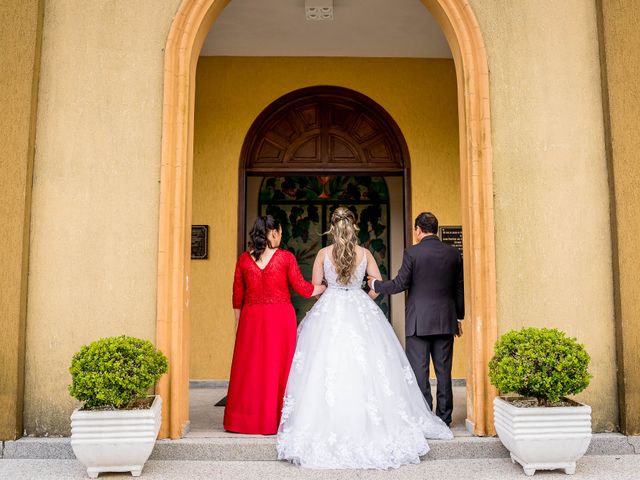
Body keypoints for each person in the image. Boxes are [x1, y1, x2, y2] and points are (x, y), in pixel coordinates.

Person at [277, 207, 452, 470]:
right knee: (369, 366)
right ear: (354, 226)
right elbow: (377, 284)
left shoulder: (324, 254)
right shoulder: (365, 253)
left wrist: (329, 293)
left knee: (326, 366)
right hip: (360, 308)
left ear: (333, 227)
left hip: (330, 308)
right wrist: (362, 299)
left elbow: (315, 289)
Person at [224, 215, 326, 435]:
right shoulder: (285, 258)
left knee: (250, 368)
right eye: (280, 232)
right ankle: (276, 419)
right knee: (279, 367)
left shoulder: (243, 259)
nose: (281, 236)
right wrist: (324, 288)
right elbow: (303, 288)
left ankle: (244, 420)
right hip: (280, 318)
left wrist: (238, 324)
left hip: (250, 318)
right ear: (273, 232)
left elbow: (236, 296)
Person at [368, 212, 464, 426]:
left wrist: (376, 285)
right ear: (435, 229)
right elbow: (459, 288)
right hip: (445, 321)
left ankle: (425, 416)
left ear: (418, 230)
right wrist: (458, 317)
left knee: (420, 372)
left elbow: (400, 284)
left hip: (418, 323)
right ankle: (445, 418)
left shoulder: (412, 253)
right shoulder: (453, 253)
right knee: (444, 371)